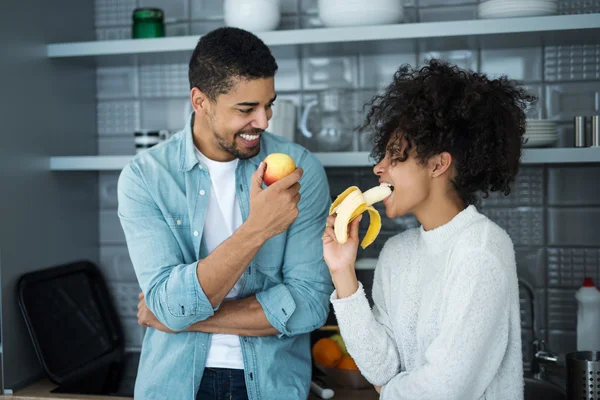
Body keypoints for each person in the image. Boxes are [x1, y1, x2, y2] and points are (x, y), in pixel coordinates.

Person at [118, 27, 333, 400]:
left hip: (272, 385)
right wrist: (257, 229)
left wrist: (181, 318)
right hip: (175, 385)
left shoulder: (300, 170)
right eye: (246, 109)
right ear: (200, 102)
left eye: (269, 105)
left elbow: (310, 304)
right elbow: (167, 304)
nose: (264, 122)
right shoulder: (145, 178)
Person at [322, 59, 535, 400]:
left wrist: (387, 390)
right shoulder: (397, 252)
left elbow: (445, 388)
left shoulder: (482, 249)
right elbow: (380, 370)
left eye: (395, 157)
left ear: (438, 164)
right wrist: (342, 270)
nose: (378, 168)